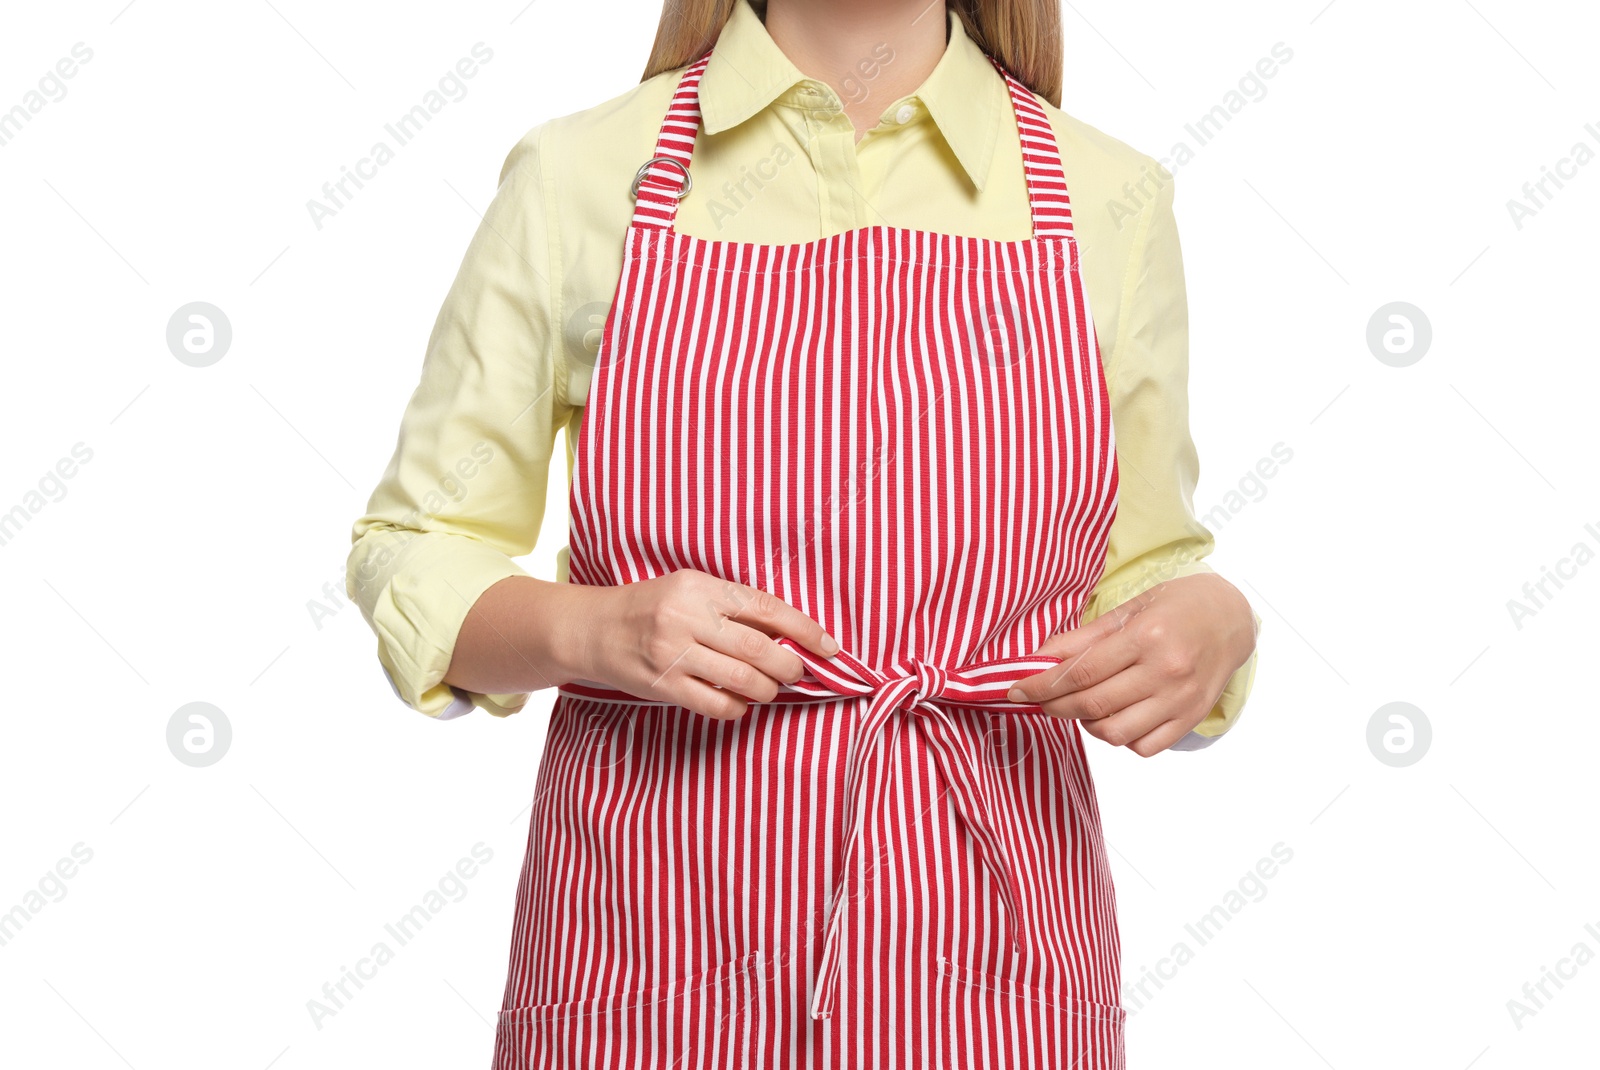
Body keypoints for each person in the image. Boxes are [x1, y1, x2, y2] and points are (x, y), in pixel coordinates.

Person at [345, 0, 1261, 1065]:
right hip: (650, 948)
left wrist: (1216, 620)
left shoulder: (1110, 195)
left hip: (993, 955)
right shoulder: (581, 175)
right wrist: (593, 630)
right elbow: (411, 543)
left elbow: (1147, 570)